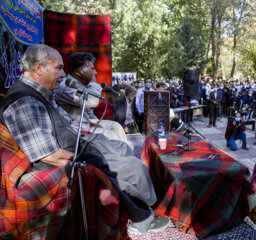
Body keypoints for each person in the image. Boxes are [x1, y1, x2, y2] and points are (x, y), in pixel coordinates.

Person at [0, 44, 169, 234]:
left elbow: (65, 124)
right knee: (131, 167)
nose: (64, 74)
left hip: (77, 142)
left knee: (122, 149)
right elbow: (49, 155)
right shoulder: (25, 101)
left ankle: (135, 207)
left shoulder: (40, 93)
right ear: (38, 68)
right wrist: (88, 159)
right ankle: (141, 218)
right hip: (70, 154)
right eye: (59, 68)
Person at [54, 52, 127, 143]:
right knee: (111, 135)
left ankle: (125, 154)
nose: (95, 72)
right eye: (92, 69)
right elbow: (92, 102)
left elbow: (87, 110)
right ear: (80, 71)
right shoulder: (67, 86)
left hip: (86, 123)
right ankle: (118, 155)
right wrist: (92, 79)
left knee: (116, 126)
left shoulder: (79, 84)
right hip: (74, 128)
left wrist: (96, 122)